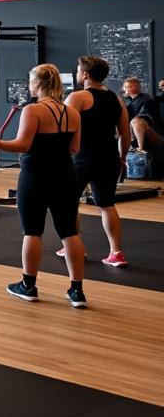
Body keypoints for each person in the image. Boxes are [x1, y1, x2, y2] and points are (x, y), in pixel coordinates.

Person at [0, 64, 87, 308]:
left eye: (30, 81)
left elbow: (23, 144)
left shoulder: (32, 110)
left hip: (35, 176)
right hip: (65, 175)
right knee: (69, 232)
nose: (29, 86)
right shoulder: (72, 113)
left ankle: (28, 286)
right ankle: (77, 292)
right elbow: (74, 149)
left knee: (32, 231)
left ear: (38, 84)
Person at [64, 56, 130, 267]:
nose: (76, 74)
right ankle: (116, 253)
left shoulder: (77, 97)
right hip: (109, 157)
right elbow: (125, 135)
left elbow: (64, 129)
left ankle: (73, 247)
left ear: (85, 75)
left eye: (78, 70)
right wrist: (122, 158)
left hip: (81, 158)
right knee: (107, 205)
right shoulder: (117, 99)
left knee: (69, 202)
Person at [122, 77, 160, 146]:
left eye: (126, 86)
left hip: (146, 130)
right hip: (129, 130)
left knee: (136, 122)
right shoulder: (127, 100)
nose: (124, 88)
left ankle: (140, 147)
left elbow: (148, 118)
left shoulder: (147, 100)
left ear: (133, 88)